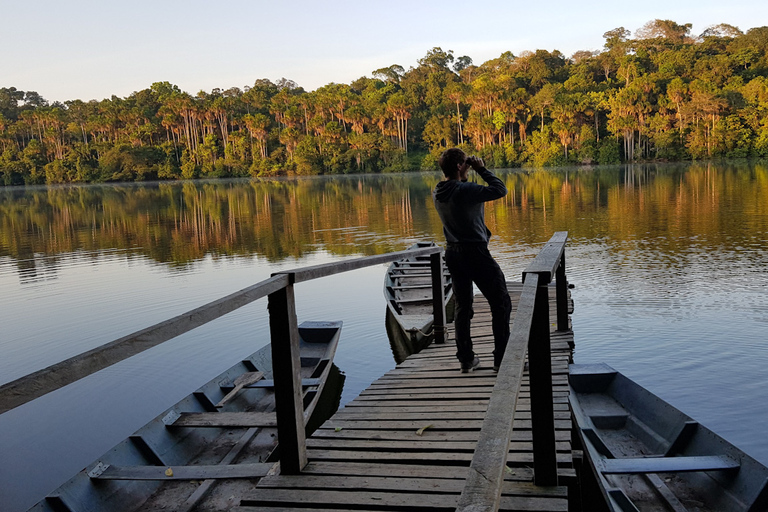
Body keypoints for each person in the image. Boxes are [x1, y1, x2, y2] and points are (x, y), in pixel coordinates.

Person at [433, 148, 512, 373]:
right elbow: (500, 189)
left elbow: (460, 186)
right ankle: (501, 360)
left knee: (463, 307)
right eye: (464, 163)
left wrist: (467, 170)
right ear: (459, 166)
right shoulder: (465, 189)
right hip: (475, 252)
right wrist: (481, 169)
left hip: (453, 253)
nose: (468, 166)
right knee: (501, 303)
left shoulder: (438, 191)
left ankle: (466, 360)